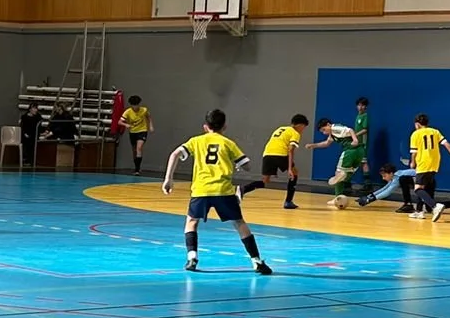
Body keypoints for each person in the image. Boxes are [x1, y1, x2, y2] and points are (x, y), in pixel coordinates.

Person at [160, 108, 273, 275]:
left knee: (192, 221)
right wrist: (237, 164)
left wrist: (168, 179)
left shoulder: (196, 141)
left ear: (206, 126)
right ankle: (256, 261)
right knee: (239, 223)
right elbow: (247, 165)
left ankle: (192, 258)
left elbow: (175, 154)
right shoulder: (228, 143)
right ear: (224, 126)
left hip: (201, 190)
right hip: (223, 190)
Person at [409, 112, 450, 223]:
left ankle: (436, 206)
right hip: (435, 163)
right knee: (424, 188)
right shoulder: (435, 132)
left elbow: (414, 152)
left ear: (417, 124)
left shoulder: (415, 134)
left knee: (418, 189)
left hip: (423, 163)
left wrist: (412, 163)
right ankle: (419, 211)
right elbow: (447, 144)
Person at [243, 115, 310, 208]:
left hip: (267, 154)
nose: (303, 130)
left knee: (265, 181)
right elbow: (291, 150)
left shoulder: (281, 128)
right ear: (300, 125)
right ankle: (288, 202)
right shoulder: (295, 133)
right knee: (294, 173)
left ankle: (243, 189)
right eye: (304, 127)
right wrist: (290, 168)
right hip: (280, 154)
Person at [120, 95, 152, 176]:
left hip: (142, 131)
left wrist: (150, 126)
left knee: (139, 148)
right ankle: (137, 166)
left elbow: (148, 116)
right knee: (134, 150)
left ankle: (137, 170)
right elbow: (119, 122)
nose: (136, 107)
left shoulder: (144, 110)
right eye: (134, 105)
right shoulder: (128, 112)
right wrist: (126, 125)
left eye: (137, 105)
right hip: (133, 132)